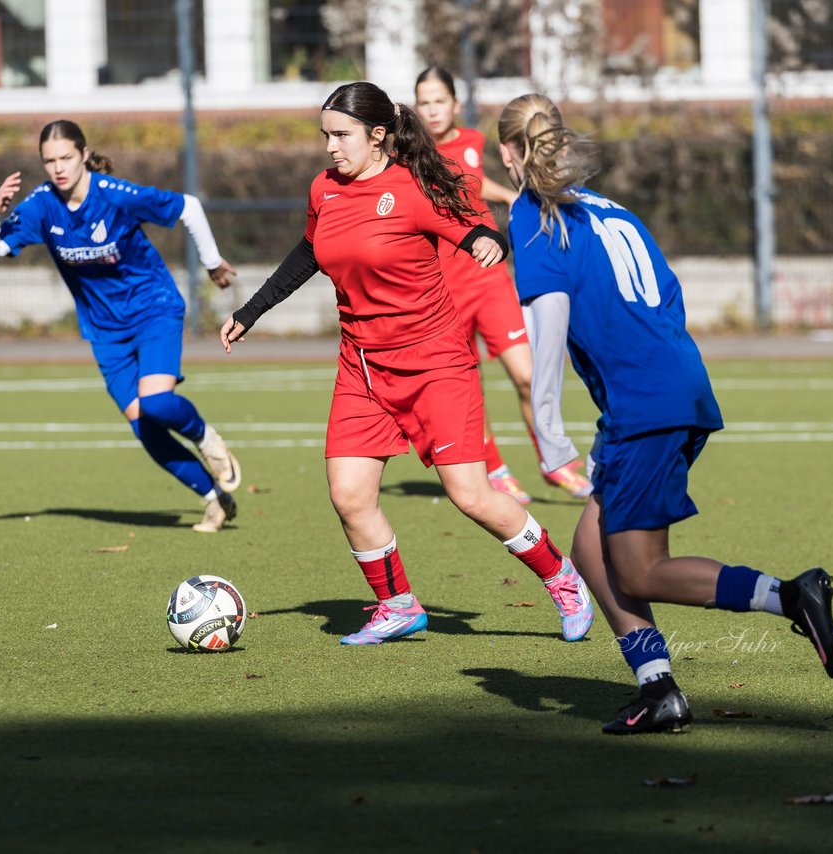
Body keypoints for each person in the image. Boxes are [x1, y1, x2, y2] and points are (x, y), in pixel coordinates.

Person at [496, 93, 833, 734]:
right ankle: (659, 689)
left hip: (642, 404)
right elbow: (669, 297)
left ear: (507, 153)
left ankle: (791, 594)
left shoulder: (532, 214)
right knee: (591, 551)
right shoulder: (612, 210)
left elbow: (547, 331)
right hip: (679, 384)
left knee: (639, 568)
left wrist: (548, 434)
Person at [219, 82, 593, 646]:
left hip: (436, 365)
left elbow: (481, 224)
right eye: (325, 136)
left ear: (377, 136)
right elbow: (308, 253)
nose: (330, 148)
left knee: (471, 496)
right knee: (349, 496)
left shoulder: (415, 186)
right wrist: (252, 311)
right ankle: (397, 605)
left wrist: (490, 243)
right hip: (363, 368)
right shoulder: (325, 190)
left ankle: (562, 578)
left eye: (341, 135)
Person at [0, 119, 242, 533]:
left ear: (84, 154)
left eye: (66, 157)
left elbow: (188, 206)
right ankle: (215, 498)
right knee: (144, 426)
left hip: (153, 309)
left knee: (155, 403)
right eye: (49, 161)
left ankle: (208, 439)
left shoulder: (114, 195)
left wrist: (211, 263)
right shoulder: (42, 204)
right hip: (104, 331)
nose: (58, 168)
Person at [414, 67, 593, 503]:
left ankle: (555, 463)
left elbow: (472, 181)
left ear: (455, 103)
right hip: (444, 290)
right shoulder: (412, 156)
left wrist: (509, 196)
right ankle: (495, 469)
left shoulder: (473, 142)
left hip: (488, 279)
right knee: (468, 386)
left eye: (439, 100)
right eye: (423, 102)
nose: (432, 110)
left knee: (528, 375)